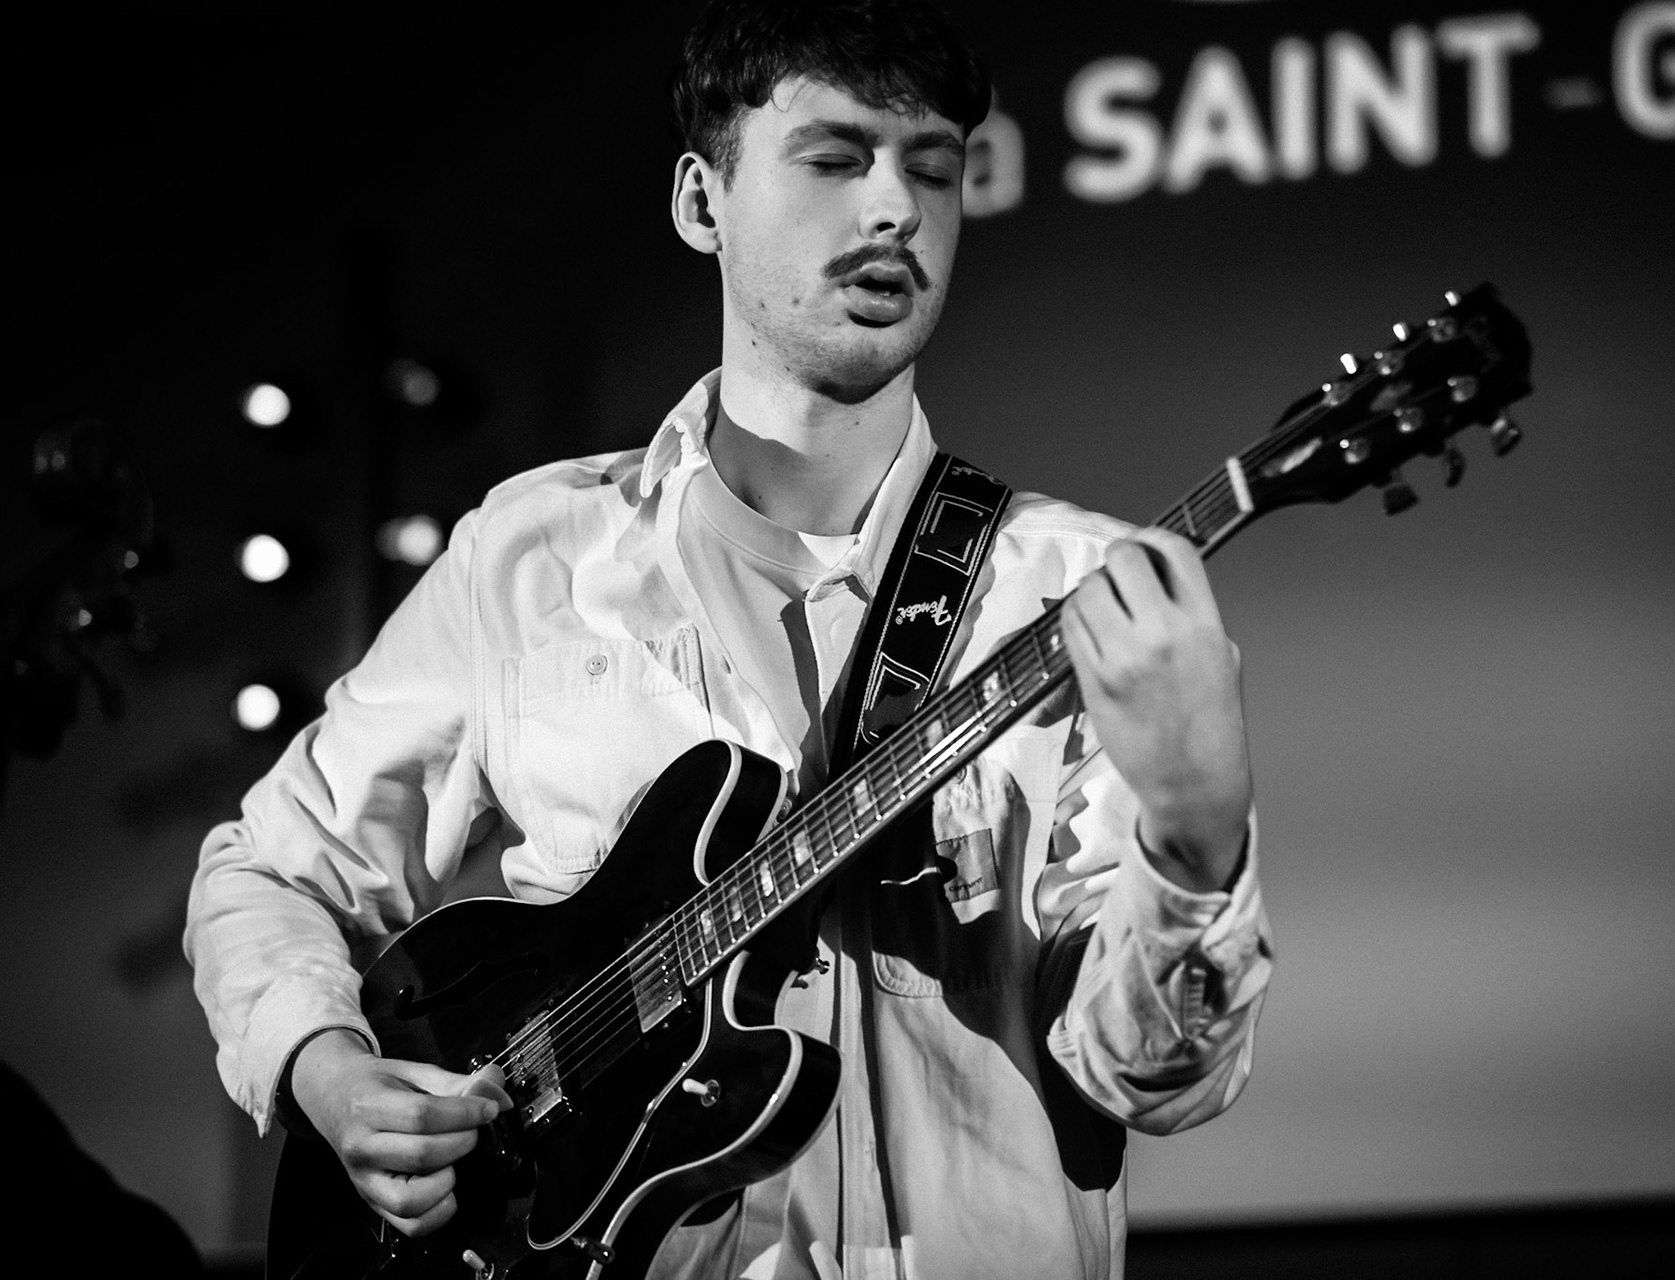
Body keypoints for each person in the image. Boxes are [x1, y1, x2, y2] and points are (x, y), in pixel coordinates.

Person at [185, 2, 1272, 1276]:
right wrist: (326, 1070)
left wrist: (1197, 838)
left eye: (933, 167)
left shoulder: (1071, 591)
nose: (896, 211)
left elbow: (1155, 1080)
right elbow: (269, 869)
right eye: (835, 157)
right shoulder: (533, 554)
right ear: (703, 202)